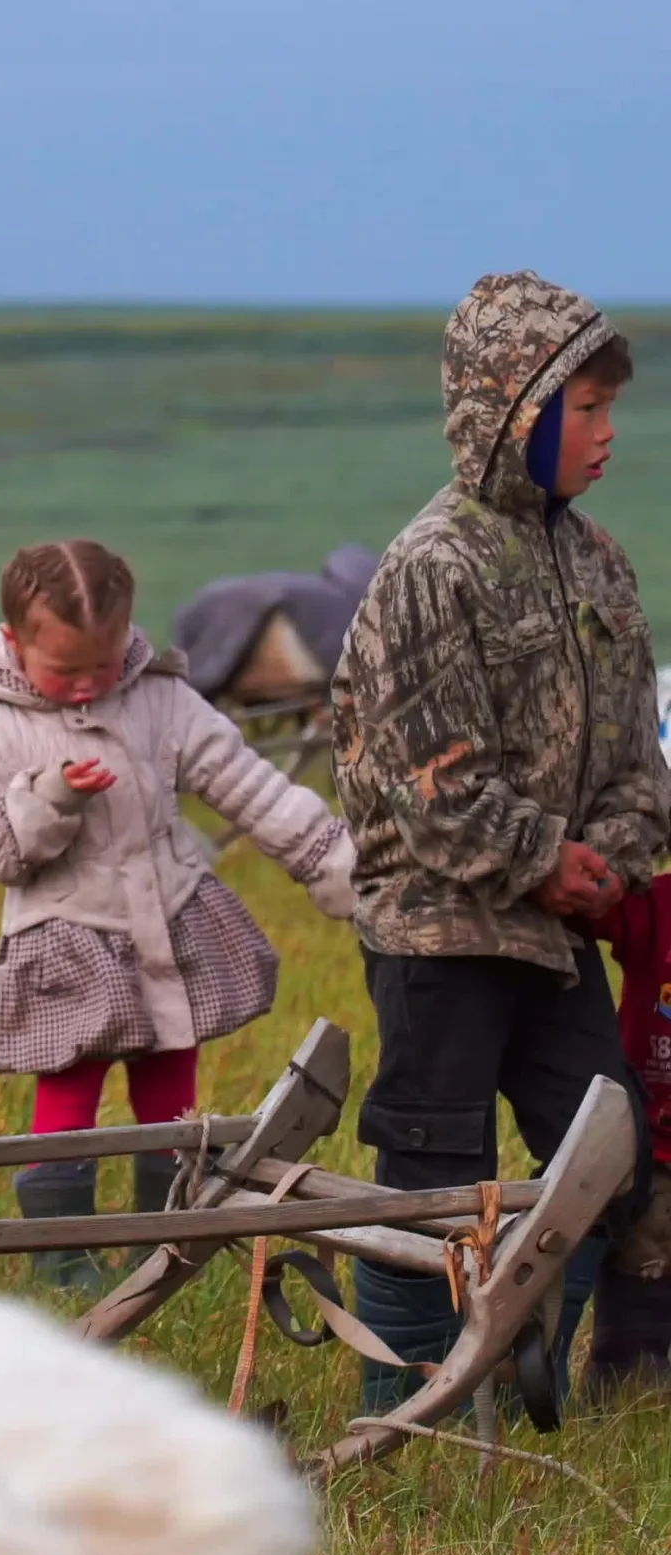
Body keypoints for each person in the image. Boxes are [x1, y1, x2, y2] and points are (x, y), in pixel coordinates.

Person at [333, 271, 663, 1410]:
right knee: (432, 1174)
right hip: (441, 932)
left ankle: (552, 1367)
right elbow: (428, 777)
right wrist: (544, 860)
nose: (610, 434)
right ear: (516, 413)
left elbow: (638, 763)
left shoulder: (601, 566)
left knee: (605, 1157)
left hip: (555, 933)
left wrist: (607, 857)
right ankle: (404, 1401)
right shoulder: (436, 566)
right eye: (589, 410)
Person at [0, 539, 356, 1291]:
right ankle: (63, 1255)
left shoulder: (160, 700)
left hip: (170, 916)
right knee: (69, 1083)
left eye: (103, 665)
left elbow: (248, 785)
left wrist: (328, 857)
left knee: (171, 1070)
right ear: (12, 642)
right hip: (67, 934)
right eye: (64, 671)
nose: (86, 686)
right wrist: (48, 798)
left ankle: (165, 1237)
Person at [577, 883, 671, 1388]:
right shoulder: (657, 905)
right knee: (644, 1257)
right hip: (653, 1144)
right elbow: (589, 910)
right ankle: (628, 1384)